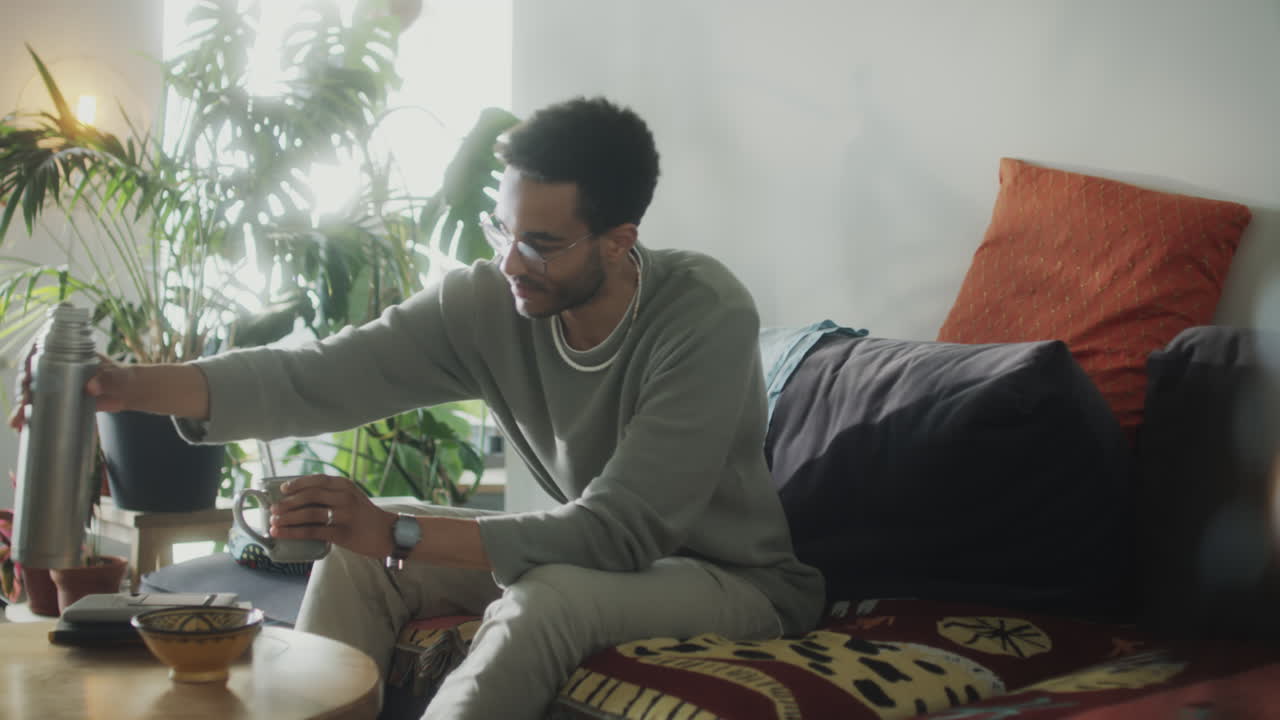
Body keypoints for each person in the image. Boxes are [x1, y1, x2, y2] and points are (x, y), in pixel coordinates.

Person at [12, 96, 823, 719]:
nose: (510, 259)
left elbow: (622, 532)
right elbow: (313, 378)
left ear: (619, 240)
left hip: (727, 577)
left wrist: (394, 529)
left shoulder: (704, 312)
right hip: (590, 554)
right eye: (500, 227)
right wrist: (122, 388)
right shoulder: (488, 302)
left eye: (541, 243)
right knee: (360, 556)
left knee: (549, 598)